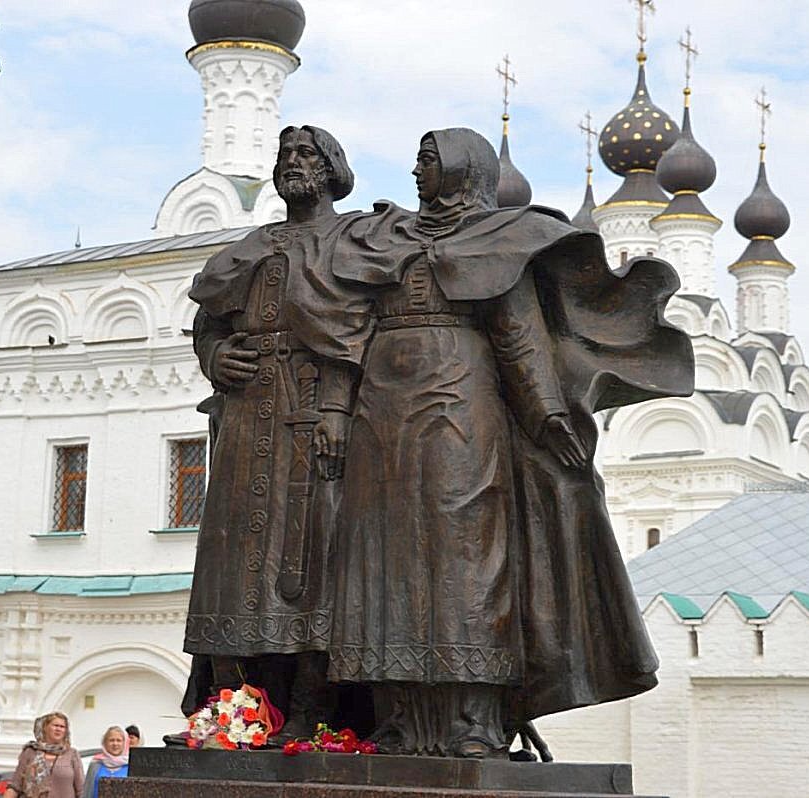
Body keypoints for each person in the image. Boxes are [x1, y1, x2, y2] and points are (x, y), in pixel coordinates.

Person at [326, 128, 693, 757]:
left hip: (460, 416)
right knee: (382, 559)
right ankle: (399, 720)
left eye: (428, 160)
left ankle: (473, 720)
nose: (416, 171)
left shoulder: (501, 241)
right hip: (380, 419)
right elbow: (341, 331)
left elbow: (520, 336)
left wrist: (549, 415)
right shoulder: (385, 240)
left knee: (466, 559)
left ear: (465, 170)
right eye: (418, 159)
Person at [184, 125, 375, 736]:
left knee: (311, 561)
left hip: (313, 416)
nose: (293, 164)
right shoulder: (252, 244)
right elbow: (208, 321)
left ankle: (313, 712)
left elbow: (359, 334)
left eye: (307, 155)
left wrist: (338, 410)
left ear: (331, 169)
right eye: (285, 155)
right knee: (232, 561)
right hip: (244, 423)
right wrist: (216, 357)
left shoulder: (351, 240)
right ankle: (234, 710)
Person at [4, 712, 83, 798]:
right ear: (45, 727)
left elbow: (81, 789)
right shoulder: (30, 752)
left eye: (62, 727)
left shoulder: (71, 754)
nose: (58, 729)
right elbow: (16, 785)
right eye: (55, 726)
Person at [82, 727, 128, 798]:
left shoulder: (130, 766)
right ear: (105, 743)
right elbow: (87, 791)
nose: (115, 744)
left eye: (119, 740)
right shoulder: (95, 764)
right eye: (111, 740)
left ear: (124, 743)